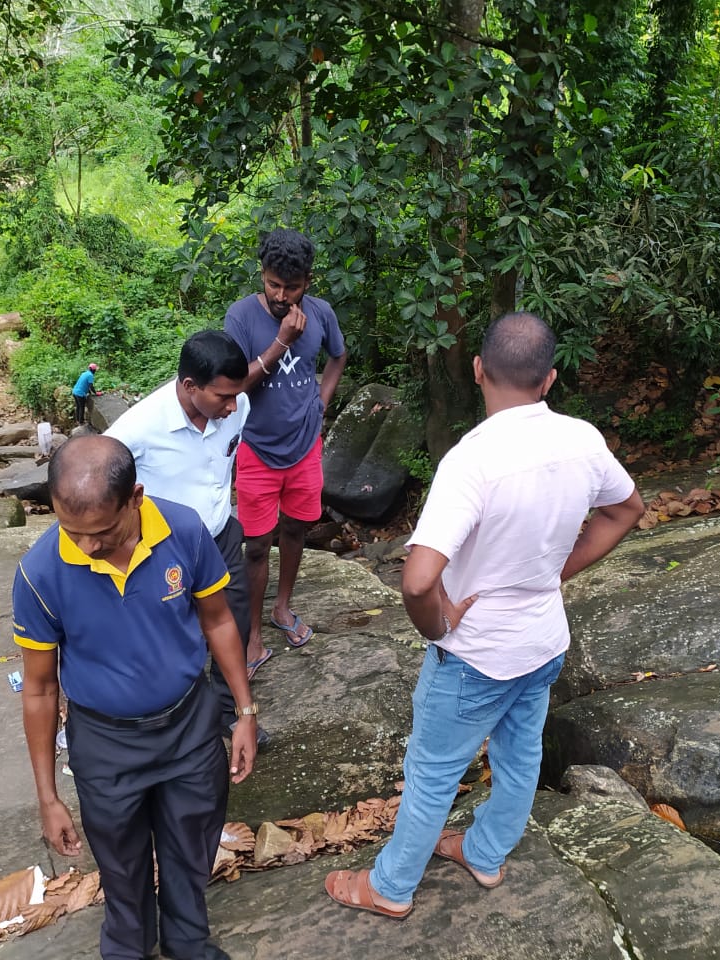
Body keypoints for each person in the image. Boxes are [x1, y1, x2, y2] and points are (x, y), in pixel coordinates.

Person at [325, 312, 645, 919]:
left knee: (432, 775)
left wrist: (437, 625)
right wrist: (557, 574)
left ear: (478, 371)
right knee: (519, 755)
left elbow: (418, 580)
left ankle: (390, 888)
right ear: (549, 379)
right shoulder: (582, 439)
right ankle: (486, 853)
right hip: (543, 642)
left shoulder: (472, 460)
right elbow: (626, 510)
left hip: (475, 654)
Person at [14, 435, 257, 960]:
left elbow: (218, 621)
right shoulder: (40, 572)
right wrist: (48, 796)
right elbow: (38, 688)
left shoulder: (184, 530)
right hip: (106, 743)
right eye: (71, 532)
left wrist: (243, 711)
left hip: (190, 725)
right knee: (120, 863)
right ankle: (128, 947)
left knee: (192, 845)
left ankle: (188, 940)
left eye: (100, 532)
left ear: (136, 498)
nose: (86, 547)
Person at [106, 331, 272, 741]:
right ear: (189, 387)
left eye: (236, 395)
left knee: (231, 619)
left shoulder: (238, 405)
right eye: (222, 397)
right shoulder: (138, 428)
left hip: (220, 533)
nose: (233, 405)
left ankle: (228, 713)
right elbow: (97, 477)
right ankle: (176, 724)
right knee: (173, 634)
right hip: (163, 547)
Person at [223, 228, 347, 663]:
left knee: (297, 527)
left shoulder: (321, 313)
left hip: (304, 446)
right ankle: (253, 633)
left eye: (290, 287)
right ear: (263, 275)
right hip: (256, 448)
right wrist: (281, 342)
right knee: (256, 544)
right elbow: (236, 385)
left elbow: (338, 356)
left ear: (307, 282)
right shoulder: (240, 318)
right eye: (272, 284)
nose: (280, 294)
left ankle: (282, 607)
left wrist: (322, 401)